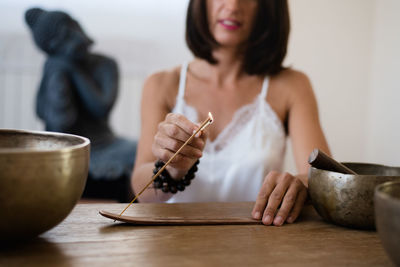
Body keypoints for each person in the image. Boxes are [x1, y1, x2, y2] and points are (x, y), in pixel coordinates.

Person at [132, 0, 330, 226]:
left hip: (257, 246)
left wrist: (300, 184)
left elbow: (324, 179)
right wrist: (173, 169)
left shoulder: (293, 86)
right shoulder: (161, 85)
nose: (233, 5)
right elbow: (141, 191)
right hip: (173, 245)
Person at [25, 7, 137, 202]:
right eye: (58, 44)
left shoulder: (105, 65)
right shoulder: (54, 68)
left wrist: (74, 72)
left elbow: (101, 107)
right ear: (52, 49)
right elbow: (48, 116)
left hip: (103, 144)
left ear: (76, 26)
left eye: (69, 34)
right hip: (62, 145)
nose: (69, 45)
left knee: (142, 150)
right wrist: (58, 76)